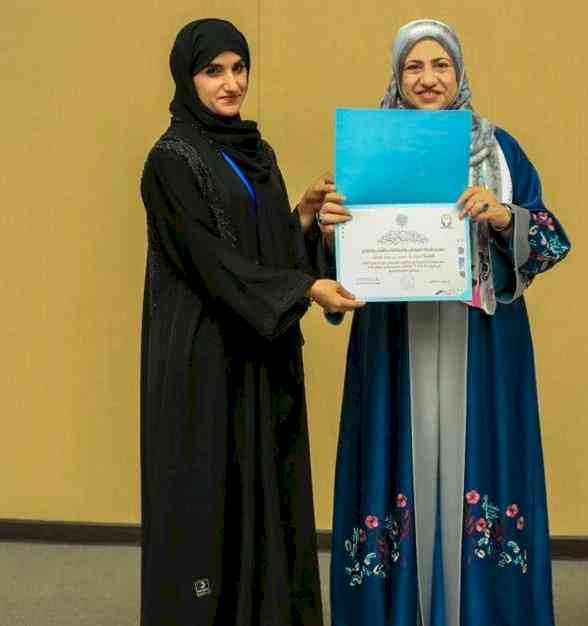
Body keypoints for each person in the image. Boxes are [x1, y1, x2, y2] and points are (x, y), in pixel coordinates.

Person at [321, 19, 571, 626]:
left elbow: (550, 238)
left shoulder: (499, 150)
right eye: (414, 66)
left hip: (481, 343)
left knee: (477, 464)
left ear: (459, 73)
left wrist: (505, 216)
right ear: (397, 76)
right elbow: (339, 260)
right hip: (392, 341)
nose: (428, 78)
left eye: (440, 65)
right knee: (395, 461)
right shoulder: (367, 150)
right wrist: (329, 232)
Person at [140, 18, 363, 626]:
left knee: (267, 491)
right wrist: (306, 288)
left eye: (239, 68)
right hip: (204, 354)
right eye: (214, 71)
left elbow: (262, 251)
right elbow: (210, 261)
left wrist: (304, 219)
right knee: (212, 496)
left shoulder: (256, 152)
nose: (231, 83)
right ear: (187, 78)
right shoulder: (170, 161)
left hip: (261, 351)